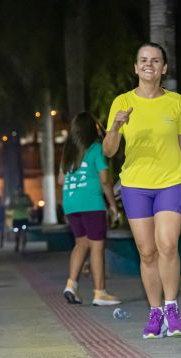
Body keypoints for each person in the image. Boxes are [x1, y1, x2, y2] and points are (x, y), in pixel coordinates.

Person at [103, 42, 181, 339]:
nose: (149, 64)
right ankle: (154, 313)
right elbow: (109, 150)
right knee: (147, 251)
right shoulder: (122, 102)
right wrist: (115, 127)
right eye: (143, 60)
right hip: (134, 185)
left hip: (171, 181)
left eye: (155, 60)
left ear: (164, 68)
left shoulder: (176, 102)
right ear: (135, 67)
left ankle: (171, 308)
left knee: (167, 245)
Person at [59, 112, 121, 306]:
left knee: (81, 243)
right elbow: (104, 179)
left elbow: (61, 180)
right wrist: (113, 206)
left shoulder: (68, 152)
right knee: (97, 246)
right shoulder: (96, 149)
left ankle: (71, 285)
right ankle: (99, 292)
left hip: (70, 204)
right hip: (91, 203)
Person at [9, 186, 32, 253]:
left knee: (24, 233)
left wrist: (27, 204)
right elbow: (9, 207)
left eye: (21, 190)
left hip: (24, 219)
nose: (19, 192)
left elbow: (31, 204)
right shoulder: (13, 198)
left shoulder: (26, 197)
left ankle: (23, 247)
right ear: (16, 191)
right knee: (16, 234)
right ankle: (17, 245)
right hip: (16, 219)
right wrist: (13, 205)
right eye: (18, 190)